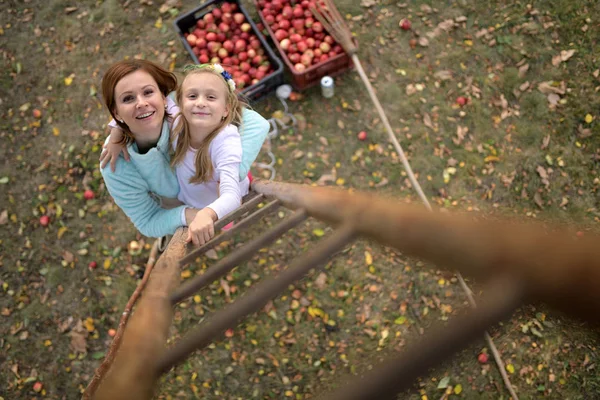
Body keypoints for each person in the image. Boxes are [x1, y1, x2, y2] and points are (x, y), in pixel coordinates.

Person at [99, 59, 269, 245]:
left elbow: (257, 124)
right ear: (115, 112)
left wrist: (231, 171)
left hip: (223, 186)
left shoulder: (184, 111)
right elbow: (147, 220)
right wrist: (190, 216)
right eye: (128, 99)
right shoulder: (116, 164)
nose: (141, 103)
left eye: (148, 92)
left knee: (231, 215)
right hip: (181, 205)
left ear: (164, 98)